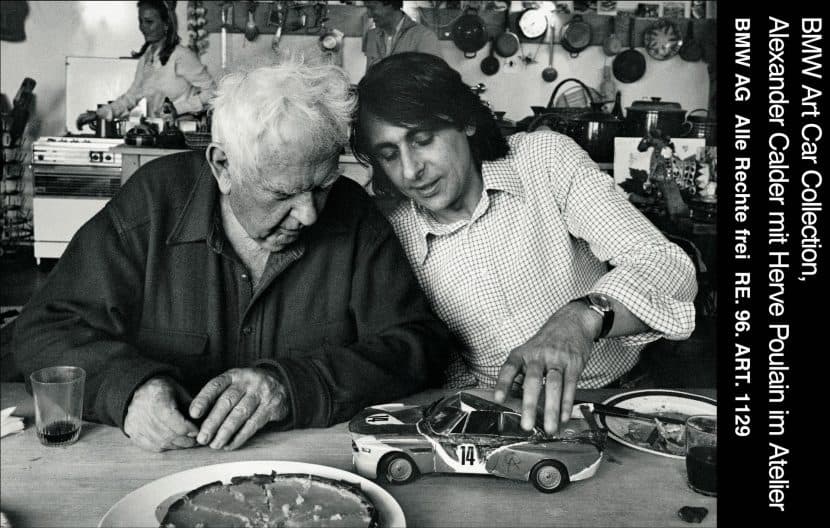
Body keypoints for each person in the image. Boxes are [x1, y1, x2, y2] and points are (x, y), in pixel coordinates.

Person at [13, 58, 451, 452]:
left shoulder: (353, 214)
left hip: (310, 465)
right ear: (223, 166)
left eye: (321, 186)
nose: (310, 214)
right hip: (153, 468)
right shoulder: (152, 204)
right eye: (283, 194)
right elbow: (43, 331)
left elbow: (418, 346)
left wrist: (291, 386)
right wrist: (129, 389)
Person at [351, 52, 698, 435]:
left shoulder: (543, 161)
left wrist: (581, 318)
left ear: (465, 121)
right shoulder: (392, 232)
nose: (411, 170)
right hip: (494, 420)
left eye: (422, 140)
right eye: (389, 154)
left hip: (615, 401)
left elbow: (666, 264)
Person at [76, 0, 214, 127]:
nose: (143, 27)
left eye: (149, 22)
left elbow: (212, 93)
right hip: (161, 134)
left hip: (184, 136)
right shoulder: (147, 59)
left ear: (165, 25)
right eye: (141, 21)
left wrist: (178, 109)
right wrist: (99, 114)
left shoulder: (181, 55)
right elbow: (130, 98)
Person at [362, 1, 442, 72]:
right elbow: (369, 76)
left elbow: (432, 82)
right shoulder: (371, 35)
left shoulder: (424, 37)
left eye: (372, 8)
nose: (369, 15)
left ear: (390, 5)